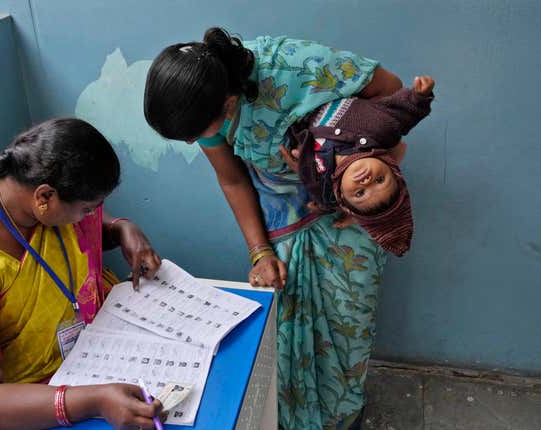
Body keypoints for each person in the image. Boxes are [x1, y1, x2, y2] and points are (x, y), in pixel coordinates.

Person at [144, 27, 405, 429]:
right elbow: (232, 179)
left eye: (198, 135)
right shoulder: (199, 99)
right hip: (282, 223)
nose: (196, 142)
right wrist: (260, 251)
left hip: (348, 216)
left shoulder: (298, 67)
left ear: (229, 103)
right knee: (286, 337)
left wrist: (372, 170)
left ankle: (343, 419)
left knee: (347, 331)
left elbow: (392, 93)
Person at [0, 118, 164, 429]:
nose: (93, 216)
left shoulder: (32, 196)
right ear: (44, 198)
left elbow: (83, 227)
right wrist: (93, 400)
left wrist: (121, 229)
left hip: (80, 361)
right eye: (88, 208)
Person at [291, 76, 435, 256]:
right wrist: (420, 97)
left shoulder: (322, 181)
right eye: (380, 180)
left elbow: (323, 197)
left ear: (341, 195)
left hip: (296, 105)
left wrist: (300, 155)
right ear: (391, 166)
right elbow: (404, 115)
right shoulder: (381, 129)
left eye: (360, 193)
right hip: (329, 82)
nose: (366, 181)